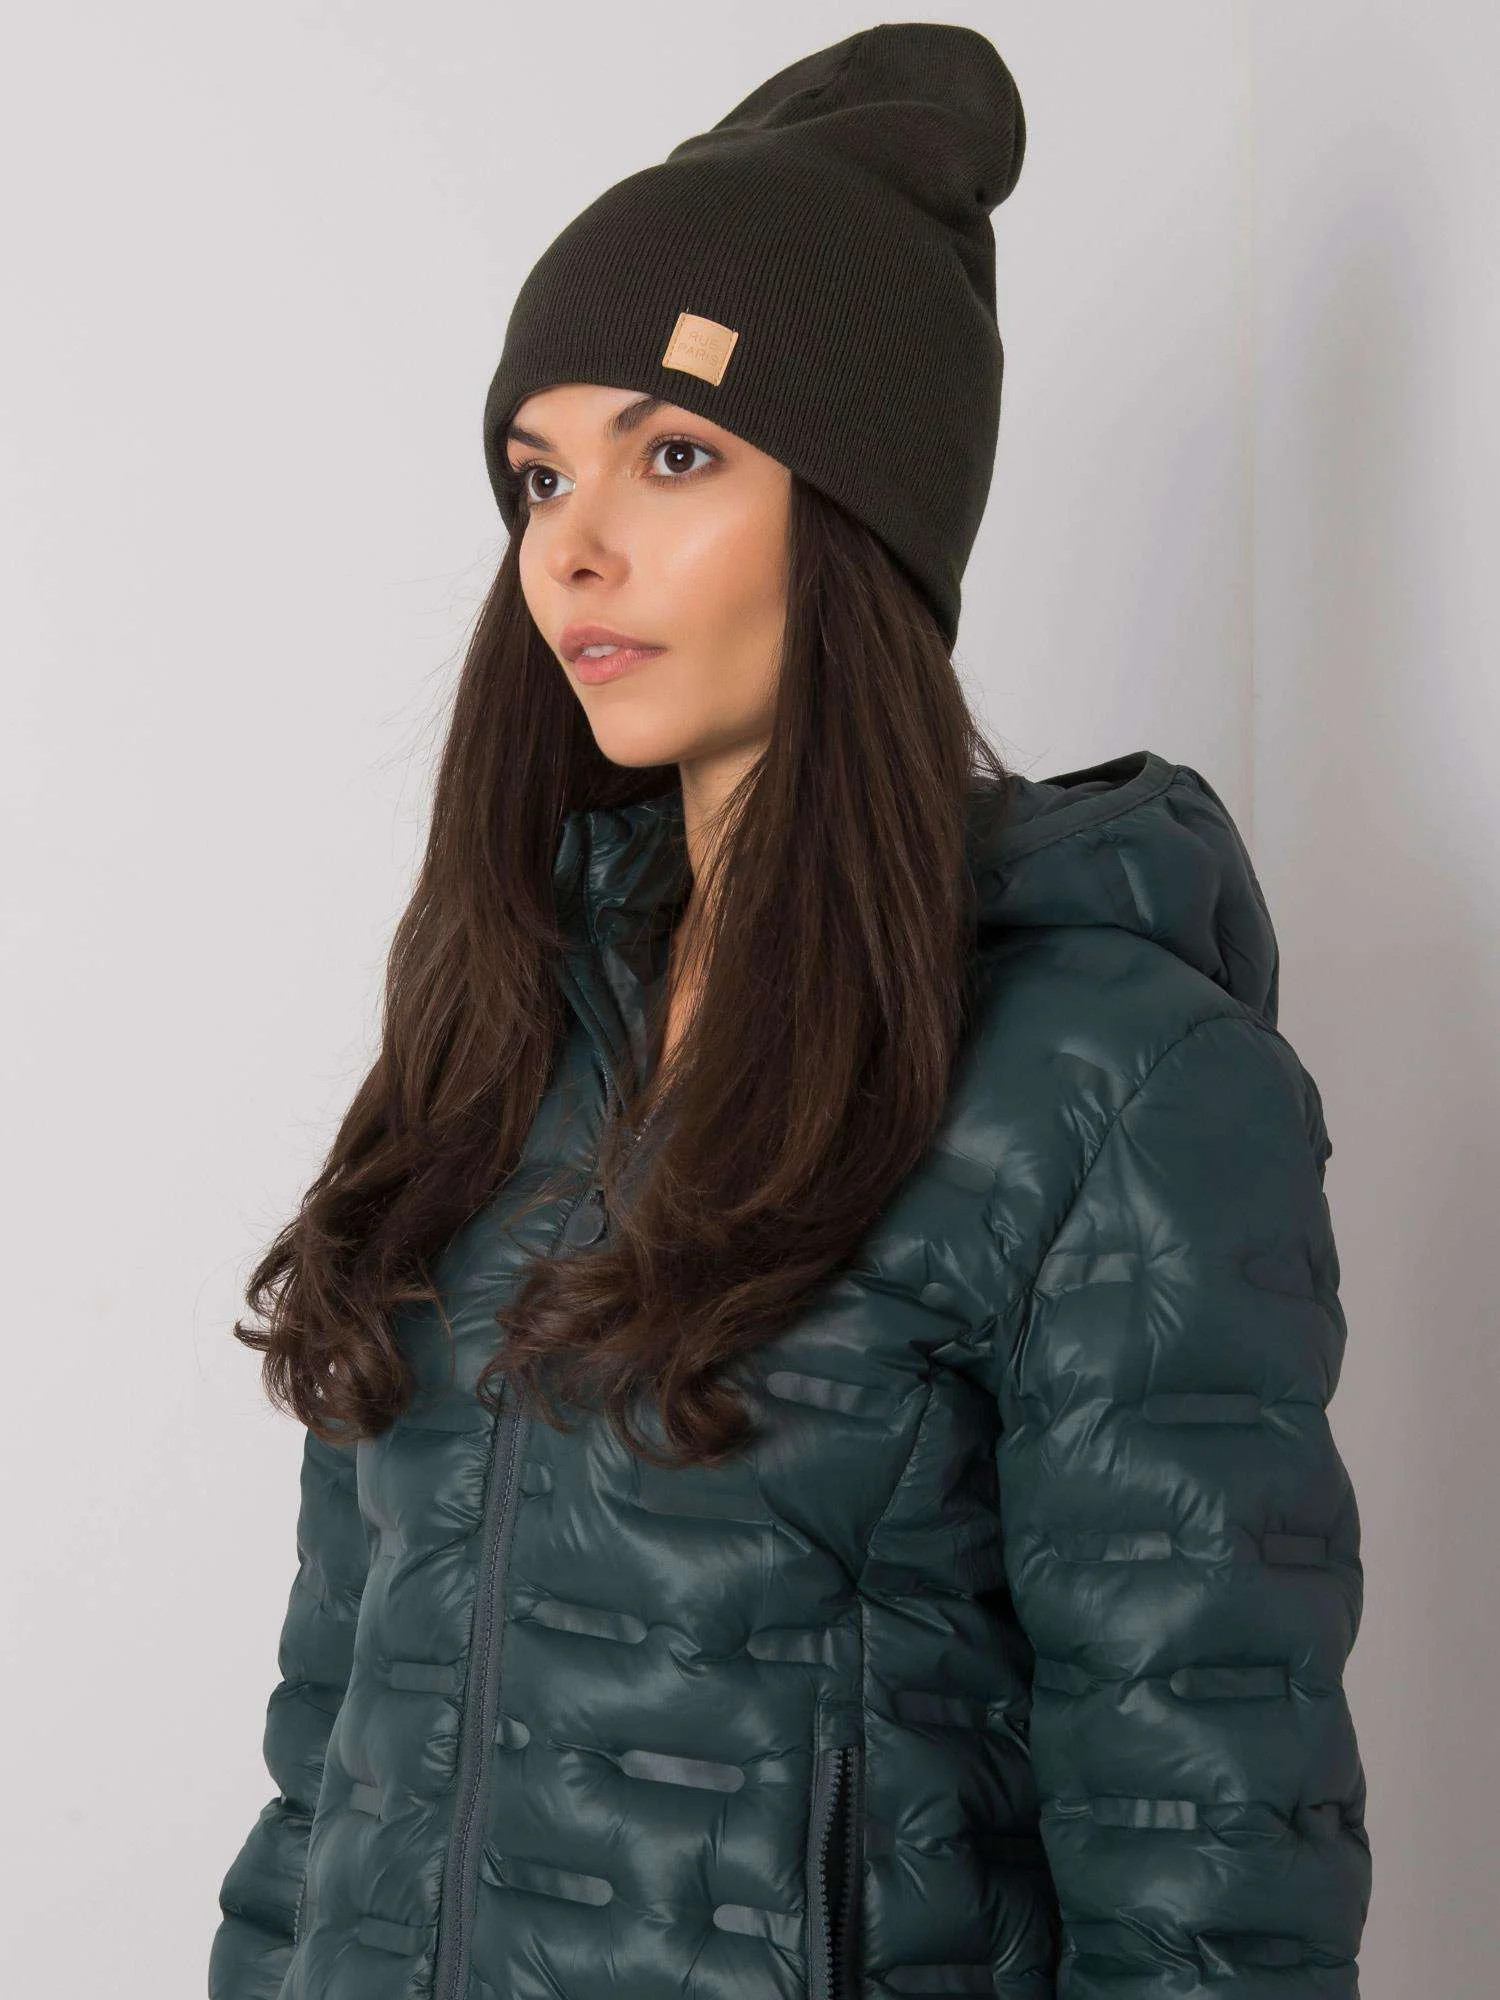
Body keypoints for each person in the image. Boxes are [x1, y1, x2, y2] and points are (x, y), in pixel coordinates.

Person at [208, 23, 1371, 2000]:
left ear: (859, 512)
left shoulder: (1113, 1084)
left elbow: (1206, 1870)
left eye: (673, 454)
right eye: (539, 472)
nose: (572, 543)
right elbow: (329, 1768)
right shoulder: (495, 1044)